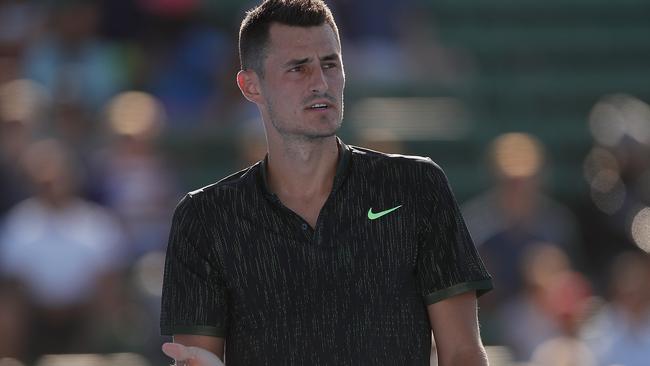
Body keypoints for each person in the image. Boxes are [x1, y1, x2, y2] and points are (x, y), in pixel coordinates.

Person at [159, 1, 493, 365]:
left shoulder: (416, 186)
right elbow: (197, 361)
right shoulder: (204, 217)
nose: (320, 83)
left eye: (330, 64)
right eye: (298, 68)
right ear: (251, 85)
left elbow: (462, 353)